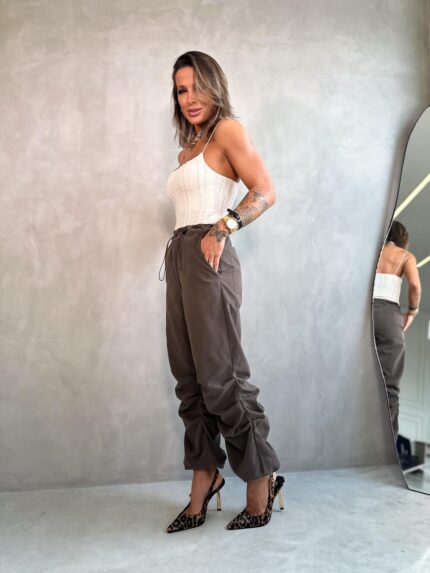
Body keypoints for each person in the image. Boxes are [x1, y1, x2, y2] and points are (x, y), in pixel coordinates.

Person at [158, 51, 285, 532]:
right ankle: (205, 478)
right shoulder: (187, 151)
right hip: (180, 257)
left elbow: (265, 190)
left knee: (222, 378)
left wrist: (224, 226)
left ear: (214, 86)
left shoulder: (227, 131)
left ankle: (260, 480)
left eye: (196, 86)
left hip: (210, 258)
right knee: (189, 380)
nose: (189, 98)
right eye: (181, 90)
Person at [372, 220, 421, 442]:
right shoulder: (405, 256)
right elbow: (415, 286)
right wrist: (412, 311)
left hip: (362, 314)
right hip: (388, 315)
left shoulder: (372, 252)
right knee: (389, 385)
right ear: (403, 239)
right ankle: (386, 447)